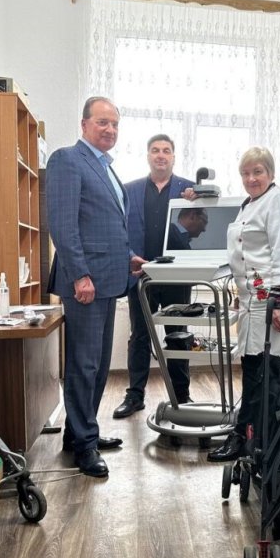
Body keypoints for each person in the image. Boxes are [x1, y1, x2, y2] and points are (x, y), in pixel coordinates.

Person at [46, 96, 145, 477]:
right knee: (84, 365)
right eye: (103, 122)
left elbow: (106, 226)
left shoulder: (106, 168)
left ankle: (79, 433)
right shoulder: (67, 160)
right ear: (84, 124)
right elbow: (63, 225)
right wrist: (79, 275)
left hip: (108, 278)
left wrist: (128, 257)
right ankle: (84, 446)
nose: (110, 129)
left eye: (115, 124)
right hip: (85, 282)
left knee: (99, 365)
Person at [207, 146, 280, 462]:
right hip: (251, 302)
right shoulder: (249, 205)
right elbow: (245, 255)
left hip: (270, 302)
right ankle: (245, 435)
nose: (251, 178)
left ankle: (259, 442)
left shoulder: (279, 201)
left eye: (257, 172)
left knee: (267, 373)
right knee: (251, 371)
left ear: (270, 173)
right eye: (246, 173)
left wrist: (277, 301)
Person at [113, 134, 197, 419]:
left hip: (176, 276)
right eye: (155, 150)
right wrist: (128, 258)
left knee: (178, 335)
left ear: (173, 156)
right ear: (148, 155)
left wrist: (198, 198)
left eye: (166, 150)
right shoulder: (129, 190)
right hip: (142, 275)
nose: (161, 155)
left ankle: (182, 396)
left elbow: (208, 215)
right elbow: (119, 230)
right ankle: (135, 396)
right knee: (139, 336)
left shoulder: (189, 189)